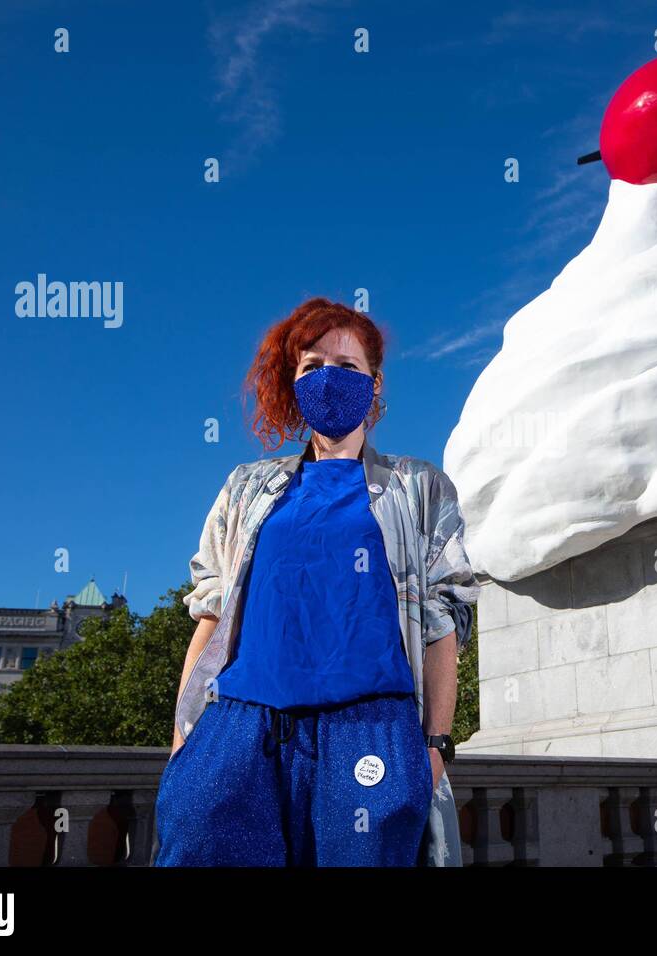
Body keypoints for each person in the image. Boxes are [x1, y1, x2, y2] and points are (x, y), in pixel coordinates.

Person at [153, 297, 480, 867]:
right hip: (239, 724)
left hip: (370, 727)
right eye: (312, 365)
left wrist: (434, 744)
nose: (330, 378)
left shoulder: (418, 486)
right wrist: (185, 735)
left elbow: (443, 618)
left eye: (348, 367)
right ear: (294, 380)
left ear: (375, 385)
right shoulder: (247, 486)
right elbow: (210, 610)